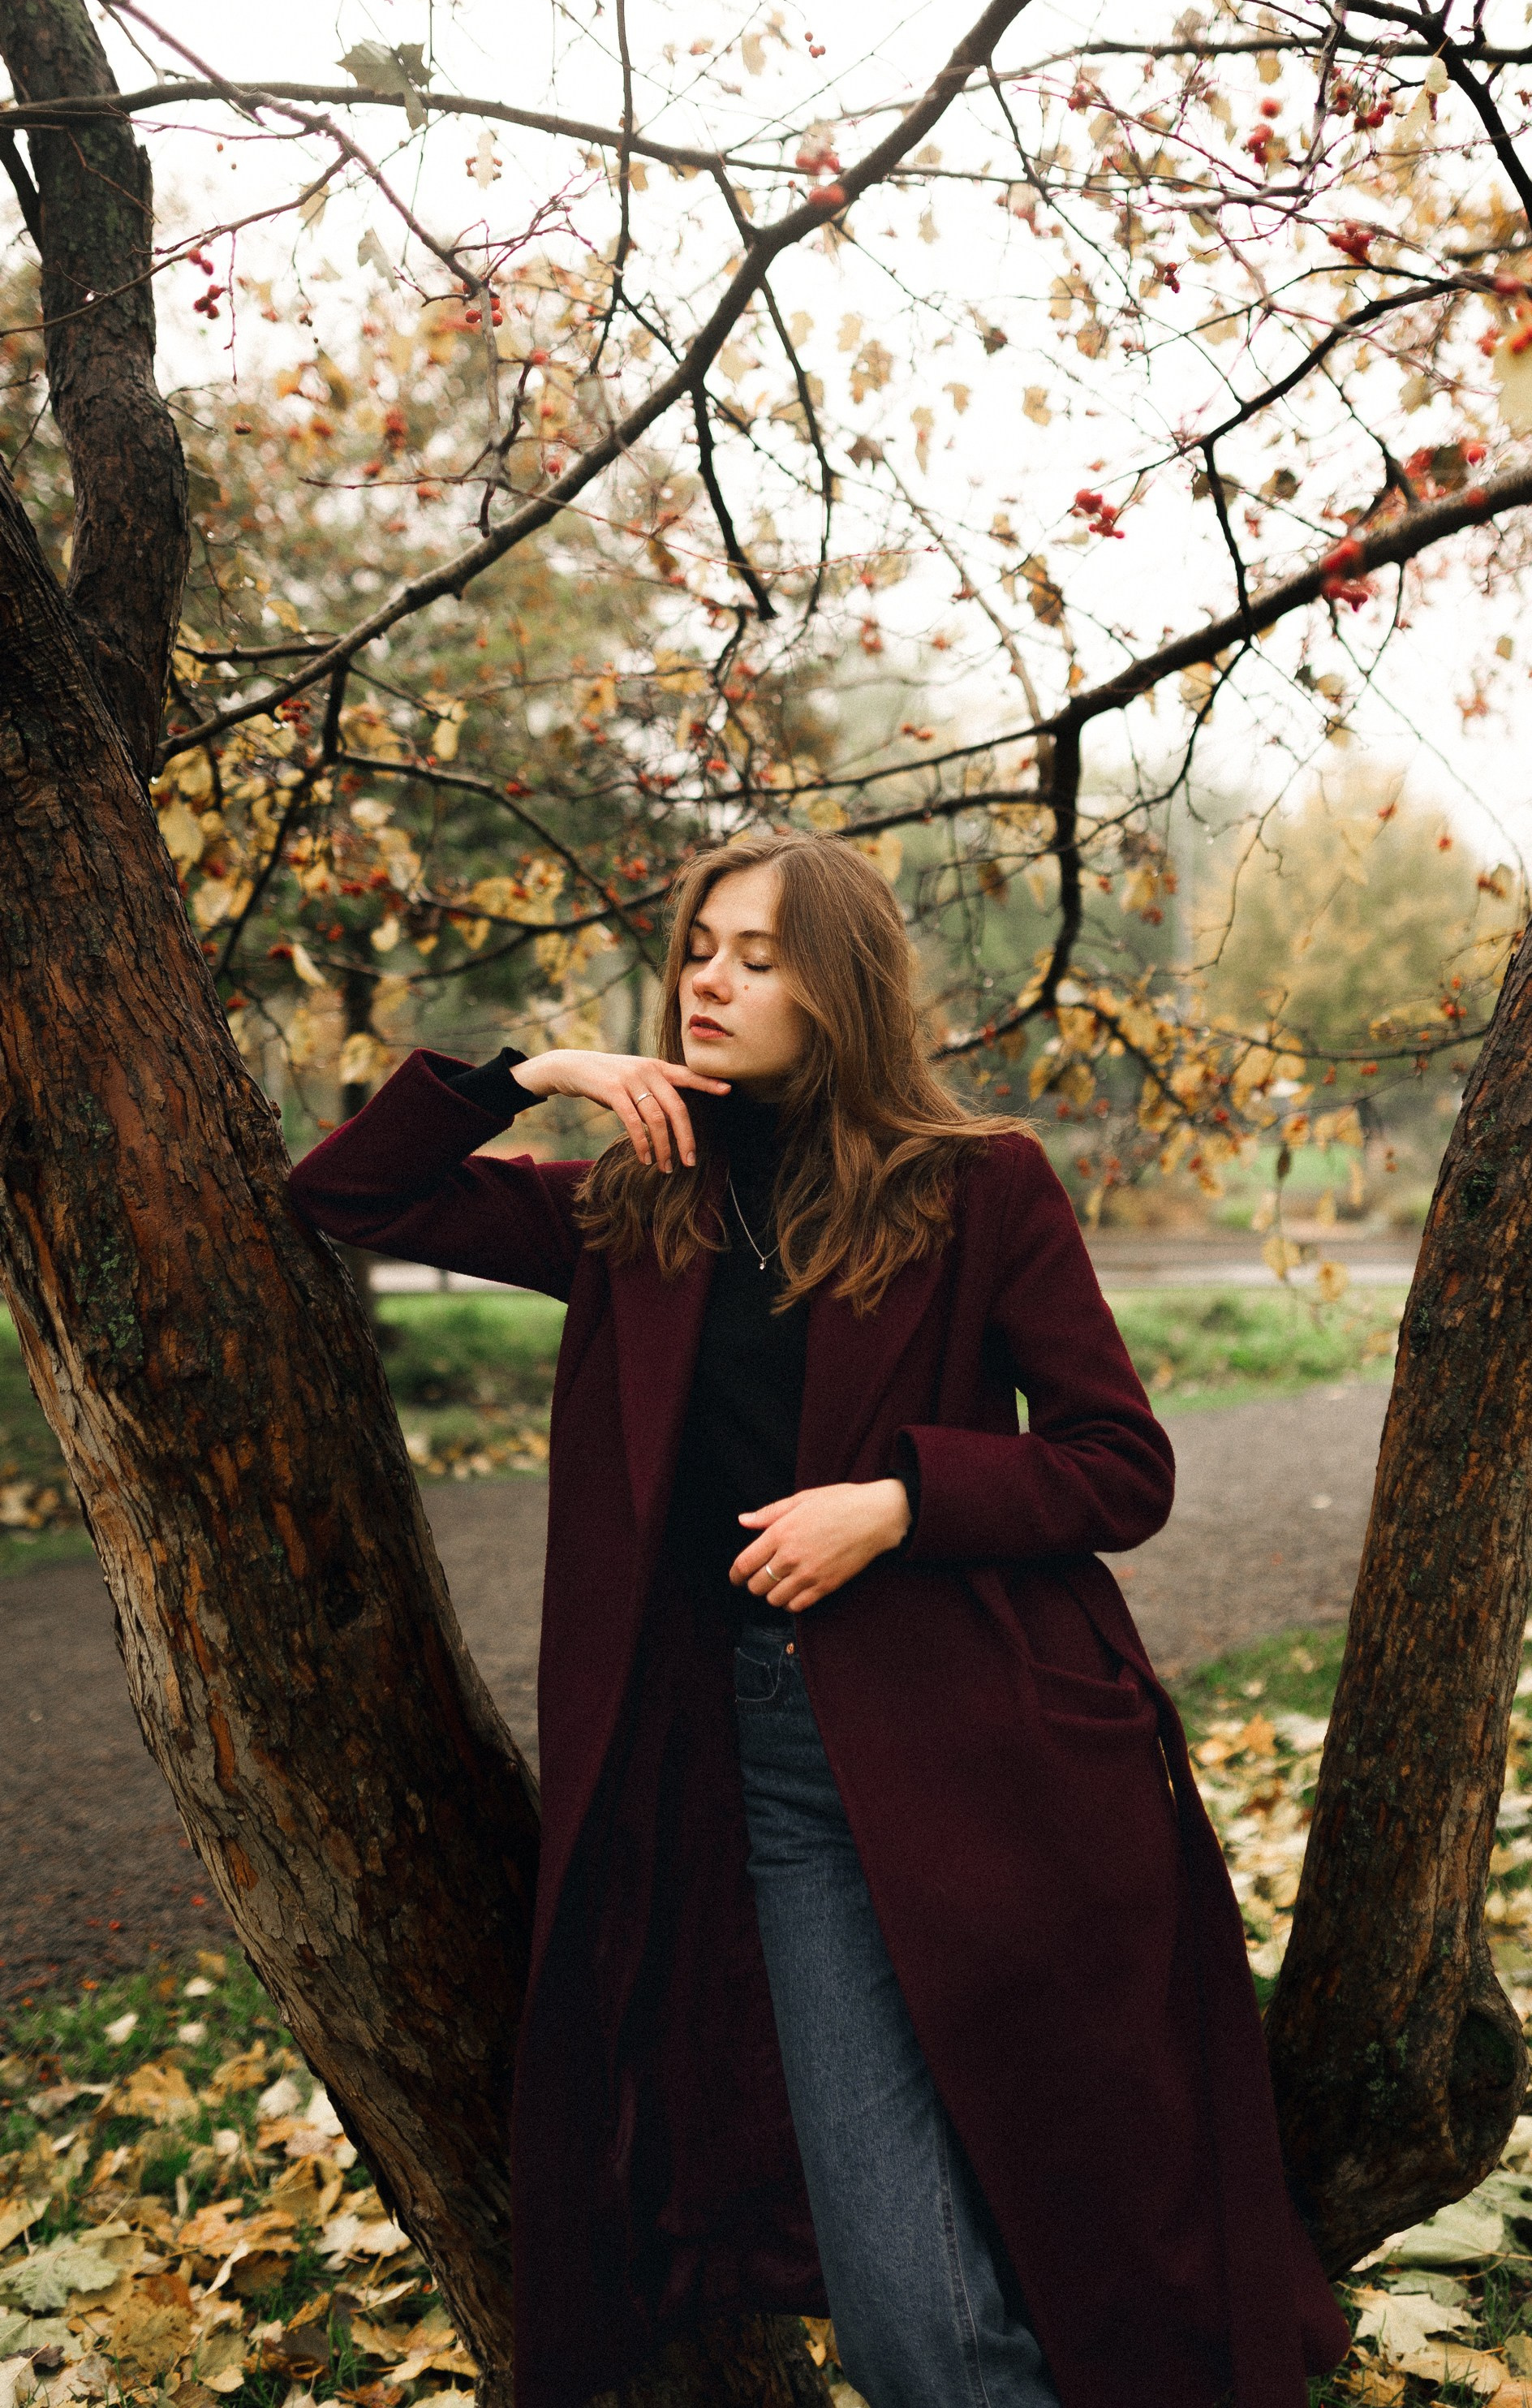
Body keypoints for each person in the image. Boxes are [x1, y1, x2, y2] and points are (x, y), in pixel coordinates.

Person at [287, 830, 1346, 2408]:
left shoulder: (981, 1186)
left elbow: (1122, 1464)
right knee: (914, 2309)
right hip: (772, 1771)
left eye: (760, 955)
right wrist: (535, 1068)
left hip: (1002, 1766)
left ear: (839, 984)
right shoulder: (631, 1212)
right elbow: (343, 1194)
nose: (712, 978)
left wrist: (903, 1503)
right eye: (700, 946)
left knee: (1103, 2234)